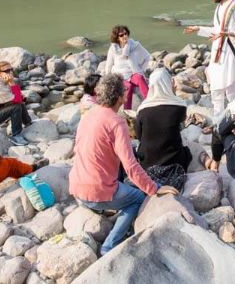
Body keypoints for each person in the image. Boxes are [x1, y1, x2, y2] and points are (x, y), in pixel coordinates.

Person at [69, 74, 178, 256]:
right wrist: (154, 188)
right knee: (136, 198)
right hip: (96, 191)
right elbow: (130, 165)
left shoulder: (88, 115)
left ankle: (98, 208)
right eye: (125, 91)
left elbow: (77, 149)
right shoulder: (116, 122)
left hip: (76, 187)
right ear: (120, 97)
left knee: (122, 184)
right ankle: (109, 245)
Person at [184, 0, 235, 121]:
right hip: (218, 53)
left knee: (232, 90)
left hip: (231, 55)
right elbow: (217, 30)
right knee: (216, 90)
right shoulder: (219, 7)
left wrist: (227, 34)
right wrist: (198, 28)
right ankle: (218, 122)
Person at [135, 68, 192, 171]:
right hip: (175, 162)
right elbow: (181, 128)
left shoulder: (142, 110)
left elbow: (139, 136)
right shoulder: (180, 106)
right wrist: (173, 93)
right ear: (168, 83)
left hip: (147, 164)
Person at [104, 25, 151, 110]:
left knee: (140, 78)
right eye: (121, 35)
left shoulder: (135, 45)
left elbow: (147, 57)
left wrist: (141, 69)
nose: (124, 36)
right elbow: (109, 65)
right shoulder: (113, 49)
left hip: (133, 73)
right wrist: (108, 80)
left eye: (126, 34)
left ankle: (150, 102)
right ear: (117, 37)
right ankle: (127, 111)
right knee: (128, 87)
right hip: (120, 75)